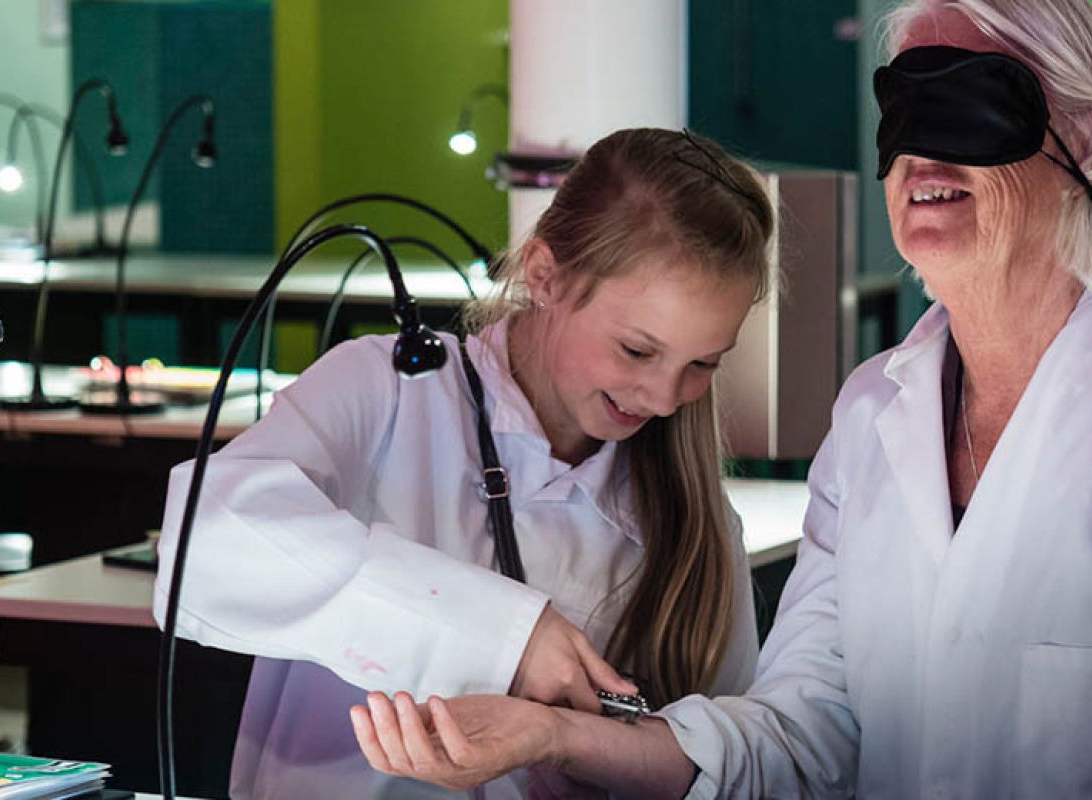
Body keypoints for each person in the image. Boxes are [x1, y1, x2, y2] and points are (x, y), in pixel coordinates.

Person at [352, 1, 1092, 796]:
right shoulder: (873, 414)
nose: (923, 153)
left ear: (1091, 133)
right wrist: (552, 733)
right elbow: (799, 730)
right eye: (903, 110)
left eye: (970, 102)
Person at [152, 127, 774, 798]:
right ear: (544, 276)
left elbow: (728, 758)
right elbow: (207, 539)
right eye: (635, 351)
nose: (662, 397)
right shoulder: (385, 389)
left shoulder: (694, 527)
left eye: (702, 364)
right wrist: (505, 636)